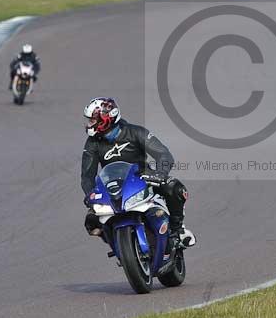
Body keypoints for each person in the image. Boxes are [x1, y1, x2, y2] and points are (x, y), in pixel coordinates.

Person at [80, 97, 195, 247]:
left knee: (175, 188)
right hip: (113, 185)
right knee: (91, 222)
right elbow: (87, 176)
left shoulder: (135, 132)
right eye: (90, 120)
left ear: (106, 118)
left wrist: (160, 174)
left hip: (144, 177)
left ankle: (177, 230)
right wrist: (90, 195)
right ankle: (117, 245)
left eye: (93, 120)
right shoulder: (92, 144)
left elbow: (164, 155)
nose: (90, 124)